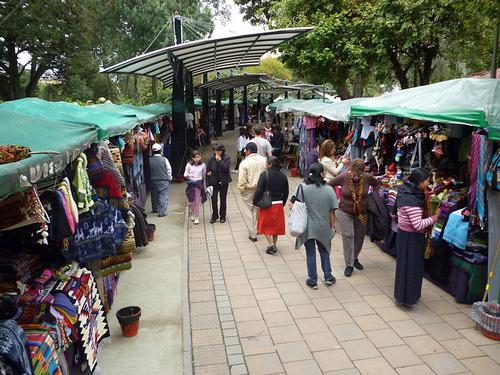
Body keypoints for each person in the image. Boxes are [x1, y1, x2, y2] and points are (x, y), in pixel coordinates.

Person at [394, 168, 439, 306]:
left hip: (405, 236)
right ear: (419, 182)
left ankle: (403, 296)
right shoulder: (411, 199)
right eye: (426, 180)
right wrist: (434, 217)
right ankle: (408, 298)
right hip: (411, 238)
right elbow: (418, 225)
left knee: (405, 266)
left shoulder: (405, 191)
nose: (428, 183)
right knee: (412, 267)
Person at [329, 158, 380, 277]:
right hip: (344, 211)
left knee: (359, 237)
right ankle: (349, 265)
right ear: (350, 170)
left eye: (359, 174)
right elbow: (329, 184)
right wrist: (334, 198)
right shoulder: (343, 177)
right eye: (353, 174)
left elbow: (377, 184)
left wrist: (373, 195)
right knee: (348, 235)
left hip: (361, 212)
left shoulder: (367, 177)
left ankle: (354, 258)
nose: (355, 177)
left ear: (363, 172)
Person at [291, 163, 338, 289]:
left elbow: (291, 205)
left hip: (307, 227)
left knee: (310, 253)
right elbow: (332, 211)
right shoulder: (329, 189)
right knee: (324, 251)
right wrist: (333, 226)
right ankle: (328, 277)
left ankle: (313, 281)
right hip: (323, 226)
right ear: (321, 174)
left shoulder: (302, 187)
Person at [253, 157, 289, 254]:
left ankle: (271, 245)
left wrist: (255, 201)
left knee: (265, 225)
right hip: (279, 203)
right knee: (275, 226)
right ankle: (274, 244)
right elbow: (286, 192)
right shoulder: (283, 176)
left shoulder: (265, 174)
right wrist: (283, 203)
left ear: (270, 165)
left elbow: (259, 190)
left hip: (267, 203)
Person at [237, 142, 267, 242]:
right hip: (261, 189)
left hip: (249, 189)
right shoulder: (264, 160)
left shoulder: (244, 163)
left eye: (246, 150)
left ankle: (253, 234)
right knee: (258, 209)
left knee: (248, 211)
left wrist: (242, 189)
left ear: (248, 151)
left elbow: (242, 180)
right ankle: (258, 228)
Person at [206, 144, 231, 224]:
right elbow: (208, 171)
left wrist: (220, 160)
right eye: (215, 150)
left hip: (223, 182)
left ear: (222, 151)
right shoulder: (211, 159)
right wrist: (208, 181)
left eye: (218, 151)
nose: (216, 152)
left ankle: (222, 216)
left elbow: (225, 168)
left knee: (223, 199)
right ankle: (215, 215)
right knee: (214, 199)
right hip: (214, 182)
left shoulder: (226, 158)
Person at [149, 143, 172, 217]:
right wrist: (169, 177)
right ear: (160, 150)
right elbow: (169, 169)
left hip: (153, 180)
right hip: (163, 180)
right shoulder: (164, 159)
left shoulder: (149, 160)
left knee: (154, 195)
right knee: (163, 195)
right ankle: (162, 212)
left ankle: (155, 209)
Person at [184, 150, 206, 225]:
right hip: (190, 184)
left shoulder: (203, 165)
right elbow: (185, 174)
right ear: (192, 158)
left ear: (201, 157)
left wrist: (202, 182)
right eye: (195, 157)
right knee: (191, 201)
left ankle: (196, 217)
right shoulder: (189, 165)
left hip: (198, 184)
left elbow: (204, 174)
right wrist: (189, 176)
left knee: (197, 201)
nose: (197, 159)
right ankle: (193, 213)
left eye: (198, 157)